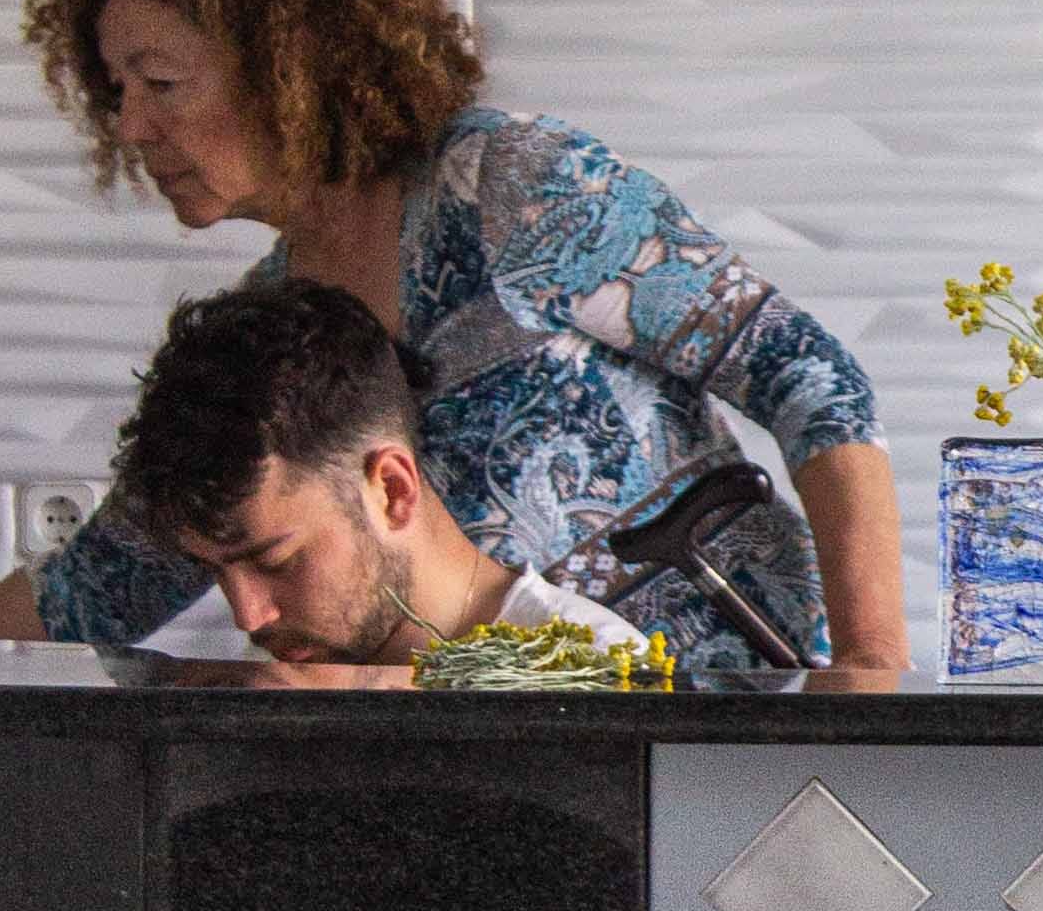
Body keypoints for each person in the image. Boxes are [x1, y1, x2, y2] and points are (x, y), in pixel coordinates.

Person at [0, 0, 905, 676]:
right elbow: (94, 588)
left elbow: (811, 382)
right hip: (534, 759)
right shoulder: (275, 330)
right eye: (116, 92)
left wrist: (868, 676)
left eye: (159, 82)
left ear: (289, 62)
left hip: (742, 714)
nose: (131, 130)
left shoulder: (511, 192)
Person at [98, 282, 650, 679]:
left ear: (392, 490)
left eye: (275, 561)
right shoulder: (290, 673)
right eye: (215, 570)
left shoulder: (600, 673)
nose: (248, 616)